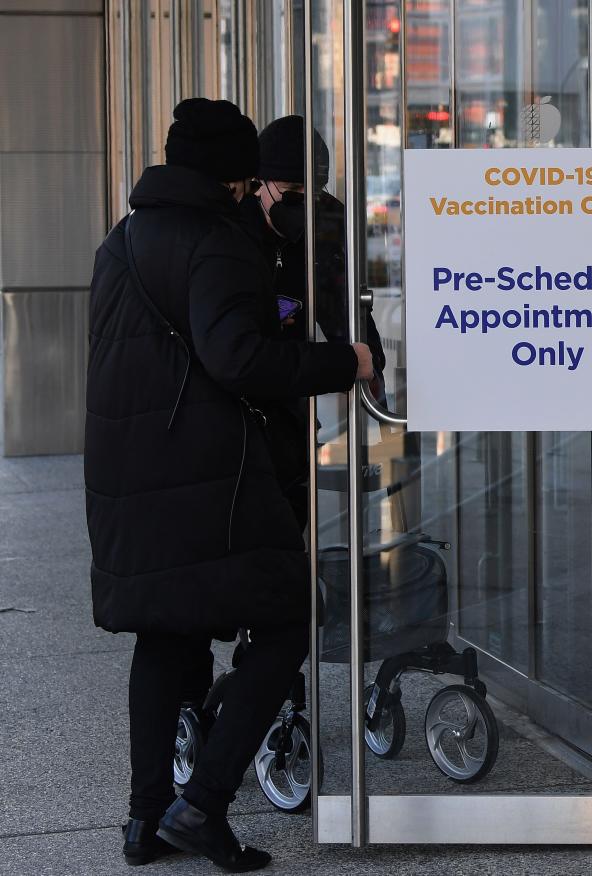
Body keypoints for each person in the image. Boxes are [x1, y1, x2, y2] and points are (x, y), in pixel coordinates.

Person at [84, 98, 373, 872]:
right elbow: (239, 358)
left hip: (131, 478)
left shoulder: (123, 242)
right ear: (233, 181)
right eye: (249, 183)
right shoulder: (215, 245)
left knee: (165, 638)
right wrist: (346, 364)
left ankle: (145, 824)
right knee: (285, 623)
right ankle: (202, 805)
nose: (254, 197)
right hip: (207, 480)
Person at [240, 114, 387, 529]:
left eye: (314, 190)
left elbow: (343, 305)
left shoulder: (326, 224)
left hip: (292, 406)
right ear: (259, 185)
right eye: (291, 191)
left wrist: (370, 366)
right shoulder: (232, 235)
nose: (304, 201)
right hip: (240, 410)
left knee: (291, 525)